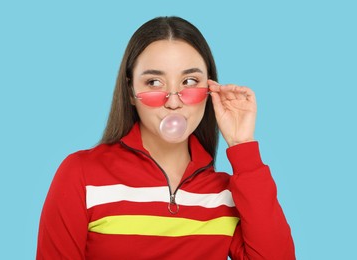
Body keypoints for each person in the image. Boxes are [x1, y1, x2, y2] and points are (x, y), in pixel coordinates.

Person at [37, 16, 295, 259]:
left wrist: (242, 146)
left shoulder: (225, 195)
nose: (173, 102)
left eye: (190, 81)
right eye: (154, 83)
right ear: (130, 91)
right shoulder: (82, 175)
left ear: (210, 89)